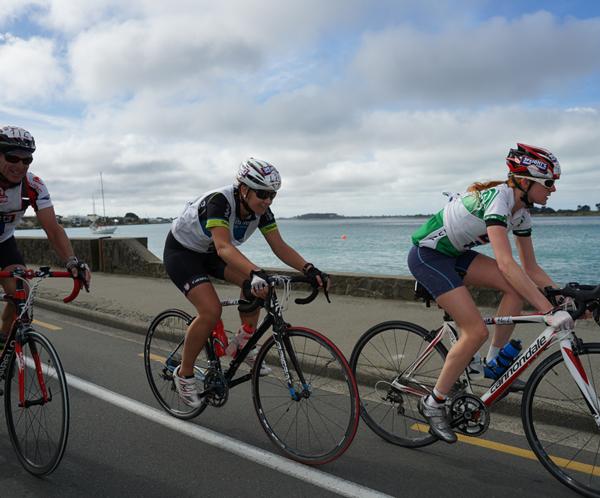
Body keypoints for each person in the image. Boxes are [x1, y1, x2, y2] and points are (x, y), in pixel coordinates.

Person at [407, 143, 574, 443]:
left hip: (455, 255)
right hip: (428, 256)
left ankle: (494, 364)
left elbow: (531, 269)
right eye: (549, 183)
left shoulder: (521, 214)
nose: (553, 190)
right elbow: (506, 263)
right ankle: (434, 402)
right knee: (474, 332)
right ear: (525, 181)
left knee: (514, 290)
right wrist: (548, 310)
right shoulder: (500, 199)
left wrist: (562, 296)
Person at [164, 157, 329, 407]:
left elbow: (279, 246)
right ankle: (184, 375)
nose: (267, 200)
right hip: (183, 253)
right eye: (262, 194)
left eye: (272, 195)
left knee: (258, 289)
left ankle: (242, 345)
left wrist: (308, 268)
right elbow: (222, 246)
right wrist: (256, 270)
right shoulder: (220, 202)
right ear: (244, 189)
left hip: (211, 254)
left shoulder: (261, 211)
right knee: (211, 311)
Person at [0, 126, 91, 347]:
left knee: (21, 292)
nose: (20, 166)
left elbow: (53, 228)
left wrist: (72, 262)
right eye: (13, 158)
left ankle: (3, 339)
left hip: (3, 243)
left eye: (26, 160)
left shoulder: (33, 185)